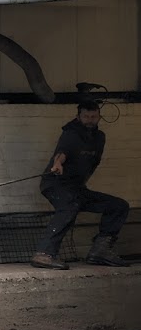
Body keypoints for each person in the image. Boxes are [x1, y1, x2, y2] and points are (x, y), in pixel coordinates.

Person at [30, 98, 128, 269]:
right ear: (78, 117)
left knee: (118, 206)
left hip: (77, 189)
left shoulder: (99, 137)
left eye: (93, 116)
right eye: (86, 116)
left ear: (99, 116)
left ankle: (100, 251)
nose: (90, 120)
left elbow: (93, 163)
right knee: (69, 206)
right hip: (55, 184)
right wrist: (58, 163)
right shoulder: (71, 133)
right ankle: (43, 254)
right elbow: (62, 151)